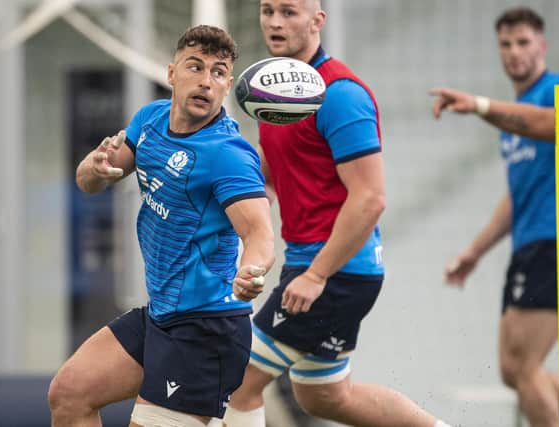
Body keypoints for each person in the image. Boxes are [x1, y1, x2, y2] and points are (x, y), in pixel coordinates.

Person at [223, 1, 452, 427]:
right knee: (324, 396)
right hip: (316, 267)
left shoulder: (342, 94)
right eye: (267, 10)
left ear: (317, 20)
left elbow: (370, 198)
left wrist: (317, 275)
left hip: (336, 273)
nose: (274, 21)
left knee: (237, 380)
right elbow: (271, 179)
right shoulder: (275, 95)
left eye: (289, 11)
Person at [47, 25, 276, 427]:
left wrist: (251, 271)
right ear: (172, 73)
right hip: (161, 316)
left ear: (228, 85)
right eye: (195, 67)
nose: (206, 81)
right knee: (70, 394)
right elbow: (89, 180)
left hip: (206, 328)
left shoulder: (228, 155)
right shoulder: (150, 121)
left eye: (219, 72)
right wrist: (95, 168)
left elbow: (259, 232)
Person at [430, 7, 559, 427]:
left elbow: (549, 124)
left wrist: (481, 105)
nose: (514, 52)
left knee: (521, 365)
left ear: (543, 46)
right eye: (506, 44)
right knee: (511, 369)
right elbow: (516, 197)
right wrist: (474, 252)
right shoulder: (513, 116)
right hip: (531, 241)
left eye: (523, 42)